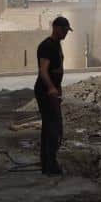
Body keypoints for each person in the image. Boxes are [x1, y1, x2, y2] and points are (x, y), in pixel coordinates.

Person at [35, 16, 71, 176]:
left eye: (67, 31)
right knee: (52, 128)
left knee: (55, 127)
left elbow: (59, 69)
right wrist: (50, 88)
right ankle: (49, 166)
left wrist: (58, 89)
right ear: (56, 28)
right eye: (64, 30)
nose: (65, 33)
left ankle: (50, 163)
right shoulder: (46, 46)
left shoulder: (57, 45)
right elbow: (43, 71)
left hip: (53, 90)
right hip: (44, 91)